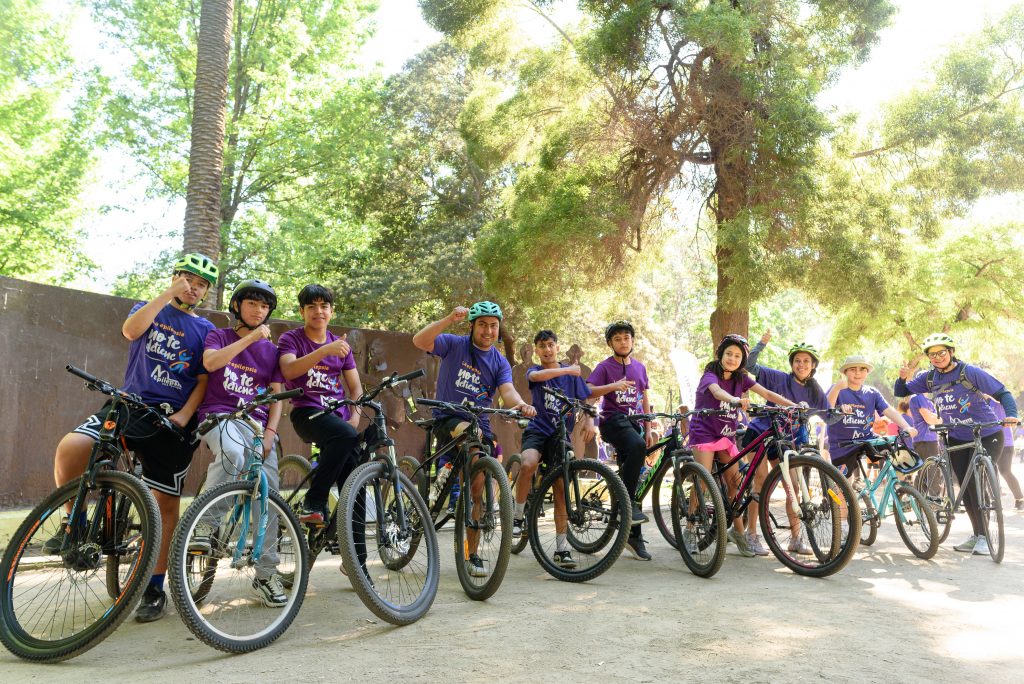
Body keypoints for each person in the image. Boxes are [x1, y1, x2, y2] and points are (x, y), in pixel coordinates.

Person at [51, 253, 218, 622]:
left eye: (201, 284)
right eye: (188, 279)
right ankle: (75, 523)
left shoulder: (206, 329)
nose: (193, 288)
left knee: (165, 504)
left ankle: (155, 587)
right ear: (175, 278)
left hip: (173, 419)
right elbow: (130, 331)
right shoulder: (150, 307)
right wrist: (167, 295)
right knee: (73, 447)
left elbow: (205, 379)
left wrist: (184, 416)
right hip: (131, 404)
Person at [411, 301, 536, 578]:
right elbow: (419, 340)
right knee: (471, 434)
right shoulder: (454, 344)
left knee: (476, 489)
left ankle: (472, 554)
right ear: (472, 326)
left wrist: (520, 405)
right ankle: (446, 474)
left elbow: (508, 392)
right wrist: (448, 319)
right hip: (447, 418)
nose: (488, 331)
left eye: (493, 326)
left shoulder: (499, 361)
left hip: (479, 426)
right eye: (482, 325)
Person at [193, 278, 287, 606]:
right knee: (233, 453)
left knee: (268, 495)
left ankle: (266, 573)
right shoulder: (219, 336)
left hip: (257, 426)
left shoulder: (272, 352)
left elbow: (277, 397)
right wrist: (250, 338)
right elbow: (211, 363)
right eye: (252, 304)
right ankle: (205, 526)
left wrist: (270, 434)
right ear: (237, 306)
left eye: (264, 306)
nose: (259, 311)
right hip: (219, 416)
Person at [895, 333, 1018, 555]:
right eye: (932, 355)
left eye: (941, 352)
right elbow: (901, 392)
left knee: (976, 482)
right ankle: (977, 535)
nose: (937, 357)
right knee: (966, 487)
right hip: (957, 437)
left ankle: (986, 537)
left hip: (987, 434)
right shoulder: (930, 378)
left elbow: (1002, 392)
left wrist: (1011, 414)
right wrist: (902, 378)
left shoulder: (969, 372)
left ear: (951, 352)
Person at [688, 334, 799, 557]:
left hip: (726, 436)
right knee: (703, 479)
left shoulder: (742, 378)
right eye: (728, 353)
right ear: (721, 355)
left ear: (742, 360)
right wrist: (734, 400)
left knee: (735, 485)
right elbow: (717, 392)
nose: (732, 358)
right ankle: (690, 528)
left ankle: (738, 532)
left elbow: (767, 393)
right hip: (704, 433)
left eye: (737, 356)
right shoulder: (710, 374)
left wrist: (793, 406)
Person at [278, 284, 363, 527]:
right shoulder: (291, 339)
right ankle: (313, 502)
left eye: (324, 306)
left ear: (331, 311)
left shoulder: (341, 346)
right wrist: (325, 350)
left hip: (339, 419)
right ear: (302, 311)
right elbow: (288, 370)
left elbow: (356, 388)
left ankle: (354, 547)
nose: (319, 311)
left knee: (355, 477)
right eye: (311, 307)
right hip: (307, 412)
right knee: (345, 435)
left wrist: (354, 418)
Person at [513, 330, 596, 568]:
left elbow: (586, 399)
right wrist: (568, 370)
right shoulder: (534, 371)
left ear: (557, 347)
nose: (547, 350)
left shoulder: (572, 375)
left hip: (560, 435)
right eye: (542, 346)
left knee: (561, 488)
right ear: (536, 350)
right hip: (537, 430)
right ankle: (518, 515)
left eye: (551, 345)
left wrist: (590, 420)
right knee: (528, 463)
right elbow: (538, 377)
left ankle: (562, 549)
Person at [743, 331, 829, 556]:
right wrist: (761, 344)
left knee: (794, 487)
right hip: (760, 434)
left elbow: (829, 415)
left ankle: (795, 539)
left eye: (806, 361)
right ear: (792, 364)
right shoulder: (779, 378)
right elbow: (750, 365)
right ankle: (751, 534)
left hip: (784, 441)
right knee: (761, 483)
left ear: (813, 365)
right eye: (797, 360)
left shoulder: (814, 390)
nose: (801, 364)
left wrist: (844, 409)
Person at [586, 321, 654, 560]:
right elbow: (588, 391)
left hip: (634, 425)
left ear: (632, 341)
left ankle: (633, 536)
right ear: (610, 344)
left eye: (627, 338)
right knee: (637, 447)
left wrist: (648, 427)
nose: (623, 342)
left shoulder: (640, 368)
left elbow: (644, 398)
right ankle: (626, 504)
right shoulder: (604, 367)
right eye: (617, 339)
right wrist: (613, 386)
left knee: (637, 480)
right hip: (613, 421)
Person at [828, 355, 916, 485]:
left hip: (867, 439)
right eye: (853, 369)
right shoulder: (837, 389)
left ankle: (901, 488)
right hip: (843, 444)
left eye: (862, 369)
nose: (858, 373)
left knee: (898, 452)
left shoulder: (872, 393)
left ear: (867, 372)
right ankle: (845, 497)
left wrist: (906, 426)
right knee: (843, 485)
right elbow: (826, 410)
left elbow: (889, 410)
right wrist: (836, 389)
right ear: (845, 372)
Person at [987, 396, 1024, 510]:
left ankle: (1020, 499)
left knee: (1005, 471)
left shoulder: (997, 400)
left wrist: (988, 393)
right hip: (988, 441)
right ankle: (994, 500)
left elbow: (1003, 397)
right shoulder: (980, 402)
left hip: (1006, 442)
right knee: (988, 470)